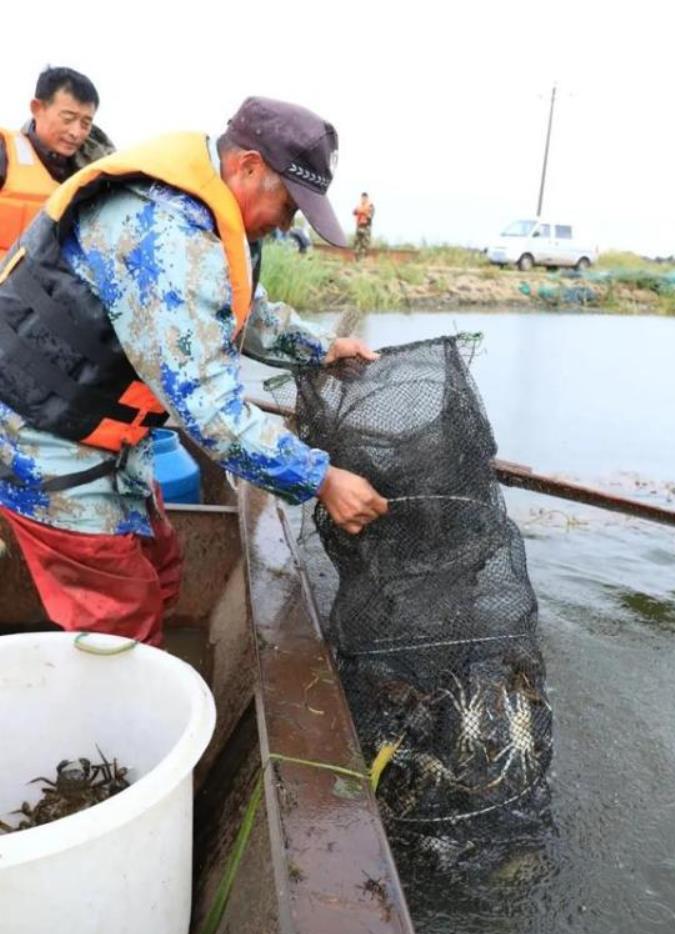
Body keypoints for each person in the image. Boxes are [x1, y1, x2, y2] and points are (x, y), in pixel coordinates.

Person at [0, 96, 388, 646]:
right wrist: (321, 479)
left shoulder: (209, 214)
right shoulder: (165, 234)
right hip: (39, 443)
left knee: (162, 569)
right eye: (289, 205)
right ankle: (114, 728)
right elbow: (211, 410)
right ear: (248, 166)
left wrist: (323, 347)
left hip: (104, 437)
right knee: (120, 620)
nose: (286, 224)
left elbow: (236, 306)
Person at [0, 65, 114, 258]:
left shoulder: (95, 177)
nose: (76, 132)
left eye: (86, 123)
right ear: (37, 108)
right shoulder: (5, 150)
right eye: (68, 119)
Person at [353, 191, 375, 260]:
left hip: (366, 226)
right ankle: (356, 258)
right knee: (357, 242)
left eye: (365, 198)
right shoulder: (359, 205)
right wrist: (359, 211)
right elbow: (354, 212)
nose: (363, 199)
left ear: (367, 198)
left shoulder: (370, 205)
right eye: (362, 197)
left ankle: (363, 258)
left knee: (365, 243)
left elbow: (370, 216)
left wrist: (363, 212)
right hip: (359, 226)